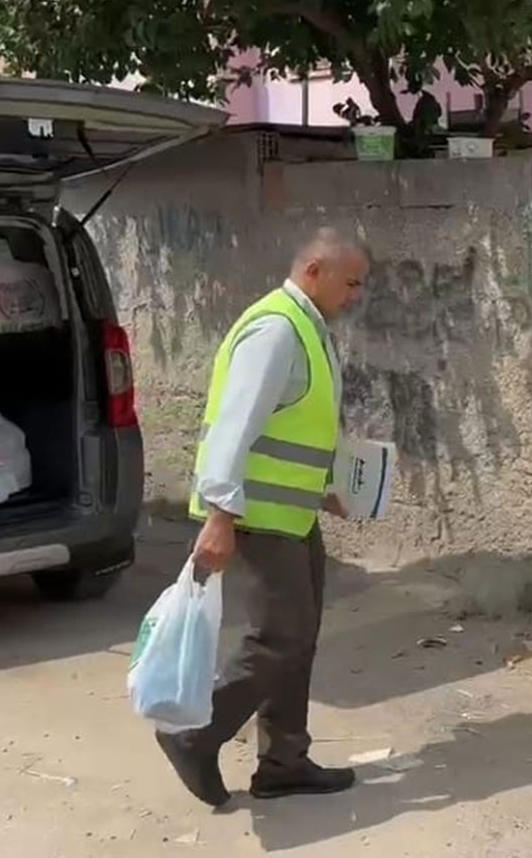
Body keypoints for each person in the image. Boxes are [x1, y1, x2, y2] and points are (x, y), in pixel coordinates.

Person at [154, 227, 370, 807]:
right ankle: (195, 737)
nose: (355, 296)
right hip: (256, 516)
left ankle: (284, 761)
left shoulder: (308, 327)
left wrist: (323, 487)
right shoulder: (277, 329)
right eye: (350, 283)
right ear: (314, 271)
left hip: (292, 513)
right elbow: (235, 423)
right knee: (281, 636)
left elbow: (291, 424)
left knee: (298, 638)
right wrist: (221, 514)